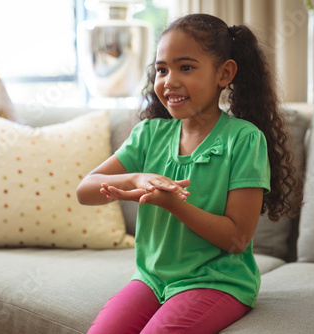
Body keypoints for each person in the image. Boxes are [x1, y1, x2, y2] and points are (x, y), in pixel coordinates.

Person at [77, 13, 302, 334]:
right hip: (151, 279)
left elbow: (237, 239)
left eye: (186, 67)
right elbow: (86, 189)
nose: (169, 81)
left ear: (224, 73)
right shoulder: (148, 134)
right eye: (161, 70)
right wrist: (136, 178)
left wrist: (173, 204)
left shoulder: (244, 139)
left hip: (216, 281)